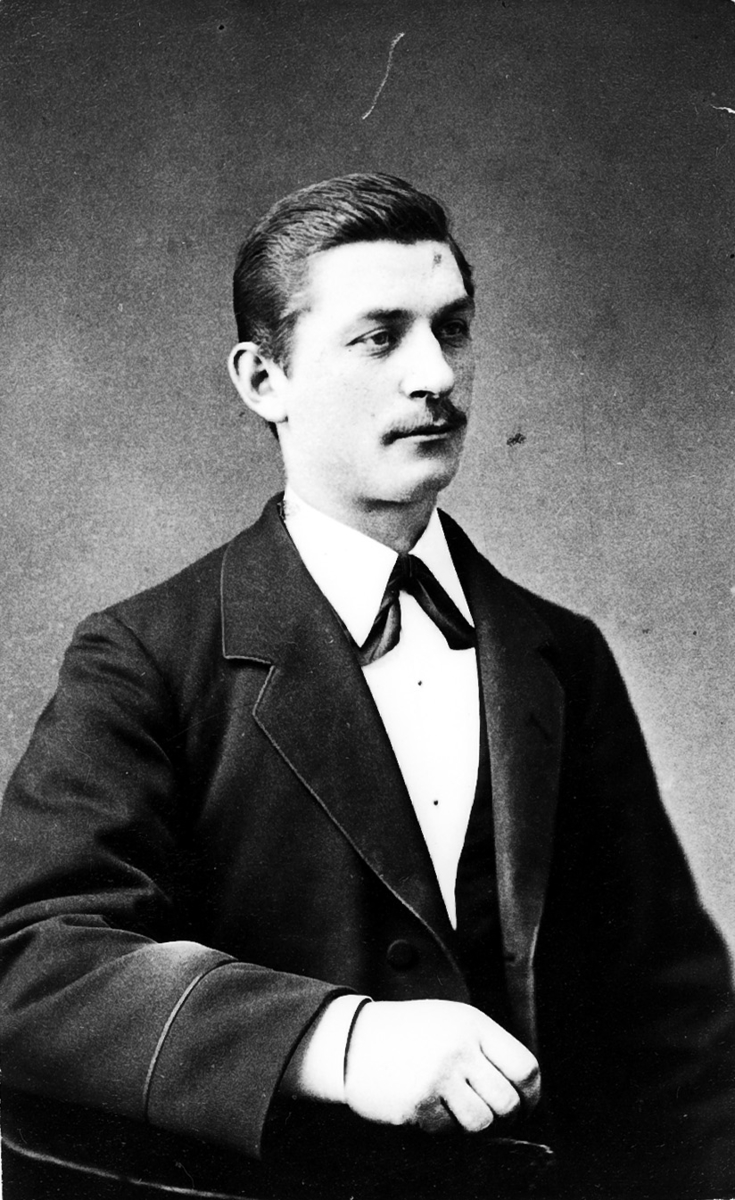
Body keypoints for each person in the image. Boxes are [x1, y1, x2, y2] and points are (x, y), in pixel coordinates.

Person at [1, 173, 733, 1199]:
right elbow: (31, 963)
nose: (436, 374)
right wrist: (337, 1041)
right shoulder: (145, 655)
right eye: (380, 337)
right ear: (265, 380)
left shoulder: (559, 652)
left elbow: (679, 1023)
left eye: (453, 329)